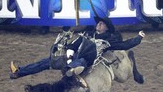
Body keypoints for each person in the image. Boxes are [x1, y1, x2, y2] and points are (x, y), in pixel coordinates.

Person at [10, 16, 145, 79]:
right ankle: (19, 72)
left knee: (81, 62)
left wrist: (139, 37)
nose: (99, 24)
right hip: (72, 56)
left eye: (102, 24)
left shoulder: (109, 40)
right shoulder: (87, 33)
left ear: (106, 28)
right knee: (45, 62)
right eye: (98, 23)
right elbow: (74, 42)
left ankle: (70, 70)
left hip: (87, 59)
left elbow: (126, 44)